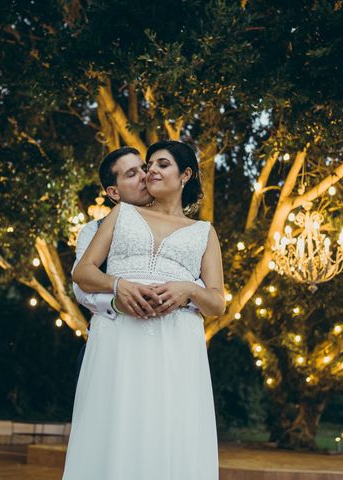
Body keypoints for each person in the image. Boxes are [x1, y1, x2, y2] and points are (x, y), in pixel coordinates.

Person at [63, 140, 224, 480]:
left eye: (159, 165)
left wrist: (189, 289)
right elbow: (82, 275)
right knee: (115, 420)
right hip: (119, 334)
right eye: (144, 167)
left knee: (169, 426)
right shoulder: (119, 216)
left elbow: (217, 302)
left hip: (176, 341)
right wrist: (119, 287)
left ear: (186, 175)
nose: (150, 171)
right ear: (113, 191)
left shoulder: (204, 232)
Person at [71, 146, 205, 382]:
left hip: (169, 344)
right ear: (114, 192)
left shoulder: (192, 231)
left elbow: (204, 288)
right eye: (132, 174)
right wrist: (117, 293)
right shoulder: (95, 230)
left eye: (144, 168)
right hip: (112, 340)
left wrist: (183, 295)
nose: (146, 175)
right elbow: (81, 285)